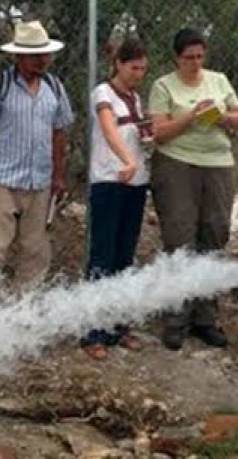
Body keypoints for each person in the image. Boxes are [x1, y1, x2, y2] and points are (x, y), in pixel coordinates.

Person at [147, 27, 238, 351]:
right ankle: (176, 319)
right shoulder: (163, 86)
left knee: (214, 235)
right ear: (177, 58)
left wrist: (219, 117)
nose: (195, 62)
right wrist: (191, 116)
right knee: (180, 238)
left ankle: (205, 319)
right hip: (177, 164)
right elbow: (159, 132)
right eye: (189, 57)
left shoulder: (218, 80)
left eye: (200, 56)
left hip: (218, 164)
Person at [0, 20, 74, 299]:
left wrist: (58, 175)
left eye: (45, 54)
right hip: (2, 180)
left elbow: (59, 131)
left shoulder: (54, 87)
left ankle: (22, 310)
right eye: (35, 55)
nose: (43, 60)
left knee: (35, 251)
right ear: (18, 56)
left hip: (39, 182)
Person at [81, 38, 152, 360]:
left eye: (143, 68)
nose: (139, 73)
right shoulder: (103, 93)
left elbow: (144, 134)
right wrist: (126, 159)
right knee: (102, 257)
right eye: (134, 67)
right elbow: (109, 130)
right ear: (119, 64)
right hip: (110, 181)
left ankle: (118, 326)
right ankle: (93, 331)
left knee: (124, 257)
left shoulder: (136, 99)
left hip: (136, 185)